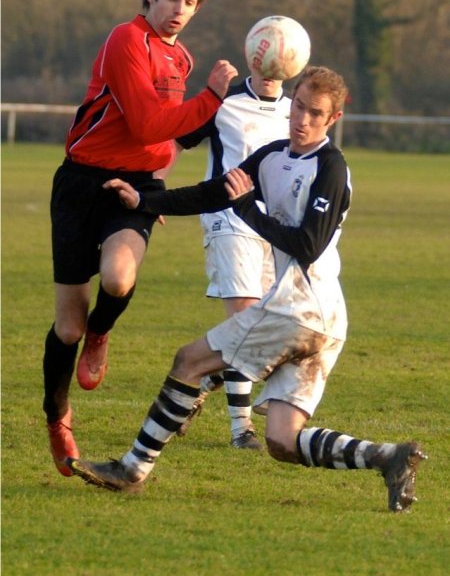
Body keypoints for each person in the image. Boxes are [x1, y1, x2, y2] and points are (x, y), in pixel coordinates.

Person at [67, 66, 427, 512]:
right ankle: (388, 457)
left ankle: (132, 468)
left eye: (316, 114)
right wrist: (145, 201)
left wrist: (247, 210)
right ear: (290, 101)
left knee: (189, 360)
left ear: (332, 120)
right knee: (281, 440)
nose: (303, 120)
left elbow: (308, 246)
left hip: (303, 310)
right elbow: (214, 192)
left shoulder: (330, 168)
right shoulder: (273, 156)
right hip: (316, 317)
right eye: (298, 107)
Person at [44, 0, 238, 478]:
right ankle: (57, 417)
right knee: (66, 328)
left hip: (136, 189)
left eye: (191, 2)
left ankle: (101, 334)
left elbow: (176, 134)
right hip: (82, 183)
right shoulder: (125, 40)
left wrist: (233, 101)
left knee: (119, 276)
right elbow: (151, 123)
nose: (180, 8)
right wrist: (212, 97)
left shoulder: (182, 59)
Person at [174, 64, 291, 449]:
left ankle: (206, 378)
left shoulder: (296, 111)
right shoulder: (225, 102)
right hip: (227, 219)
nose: (272, 69)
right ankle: (242, 429)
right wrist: (149, 192)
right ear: (252, 60)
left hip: (272, 227)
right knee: (244, 319)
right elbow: (176, 141)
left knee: (268, 327)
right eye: (264, 60)